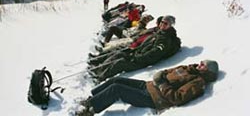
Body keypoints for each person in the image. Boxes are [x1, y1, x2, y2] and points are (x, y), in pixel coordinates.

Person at [76, 60, 219, 116]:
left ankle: (90, 110)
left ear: (208, 71)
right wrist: (160, 74)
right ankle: (92, 98)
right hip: (149, 85)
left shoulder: (197, 82)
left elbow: (178, 98)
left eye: (203, 65)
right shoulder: (188, 68)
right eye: (201, 63)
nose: (199, 65)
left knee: (117, 89)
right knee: (116, 79)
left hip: (155, 98)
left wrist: (162, 84)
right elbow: (168, 71)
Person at [88, 15, 181, 82]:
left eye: (166, 23)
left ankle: (100, 77)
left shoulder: (165, 39)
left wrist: (138, 57)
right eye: (162, 22)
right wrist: (135, 50)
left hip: (142, 61)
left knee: (120, 63)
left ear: (170, 26)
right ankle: (97, 70)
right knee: (118, 54)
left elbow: (154, 54)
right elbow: (145, 43)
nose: (162, 24)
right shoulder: (159, 32)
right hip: (137, 53)